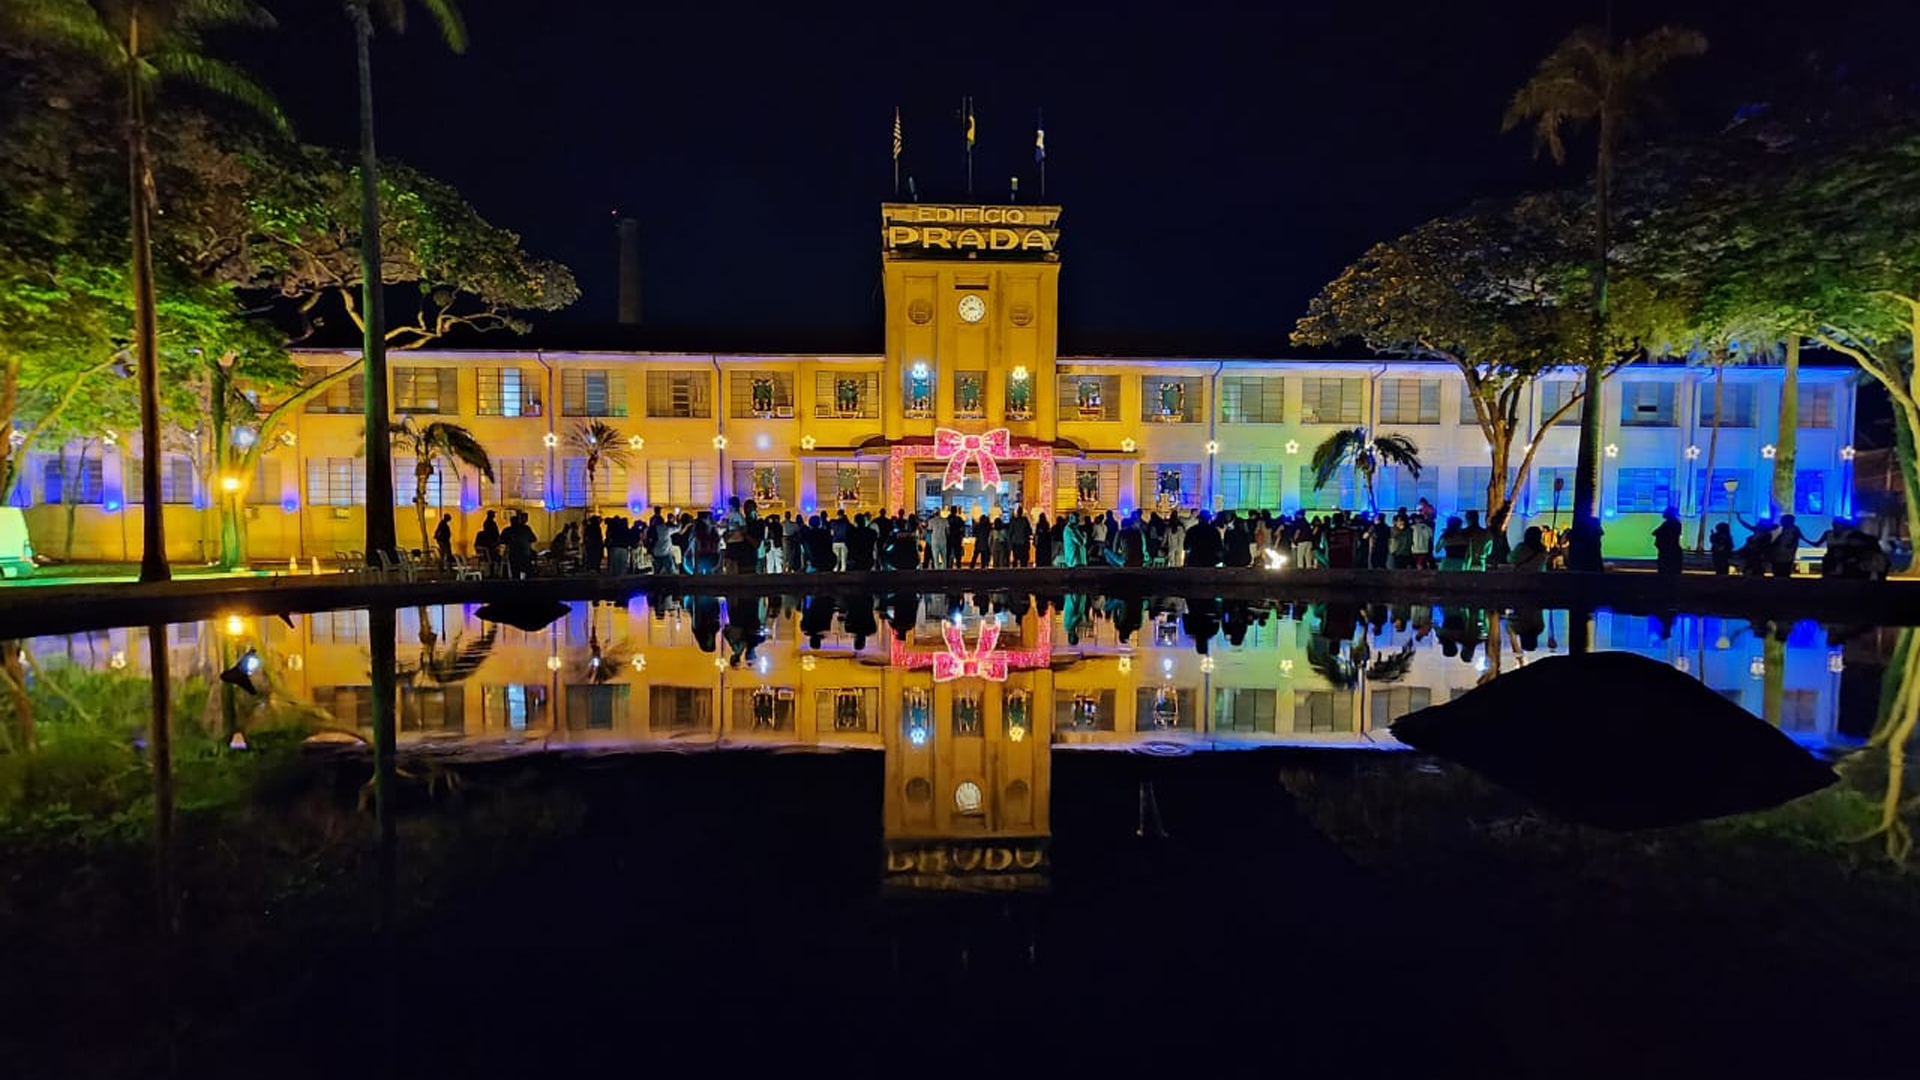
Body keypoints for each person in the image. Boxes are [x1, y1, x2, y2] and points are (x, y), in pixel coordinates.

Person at [501, 512, 536, 580]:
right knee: (526, 571)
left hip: (513, 553)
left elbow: (502, 540)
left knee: (515, 572)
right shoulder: (526, 529)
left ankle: (516, 583)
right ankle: (527, 583)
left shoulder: (508, 530)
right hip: (525, 553)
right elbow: (533, 539)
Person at [1652, 507, 1684, 576]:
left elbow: (1655, 532)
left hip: (1668, 552)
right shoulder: (1675, 523)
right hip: (1671, 550)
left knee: (1666, 572)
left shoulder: (1669, 523)